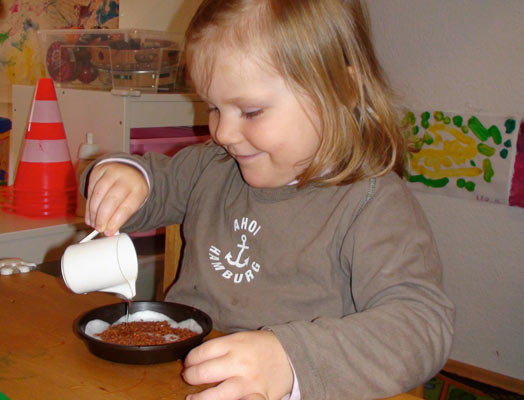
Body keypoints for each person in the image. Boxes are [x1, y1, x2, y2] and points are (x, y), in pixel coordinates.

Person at [82, 0, 455, 398]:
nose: (223, 132)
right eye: (213, 107)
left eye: (252, 111)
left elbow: (421, 327)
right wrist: (122, 178)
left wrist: (291, 362)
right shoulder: (213, 166)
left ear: (341, 91)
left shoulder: (371, 205)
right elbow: (152, 185)